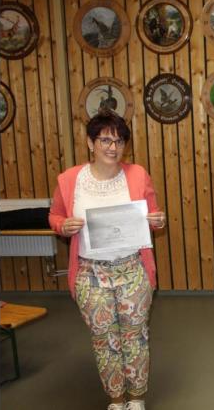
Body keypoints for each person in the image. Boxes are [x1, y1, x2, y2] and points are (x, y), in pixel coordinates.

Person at [48, 111, 166, 410]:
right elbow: (55, 215)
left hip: (132, 269)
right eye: (105, 140)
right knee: (104, 340)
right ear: (90, 142)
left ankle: (136, 399)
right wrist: (63, 225)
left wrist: (158, 220)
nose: (113, 147)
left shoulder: (137, 174)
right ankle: (116, 400)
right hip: (90, 273)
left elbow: (152, 216)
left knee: (135, 337)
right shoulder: (69, 179)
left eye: (119, 140)